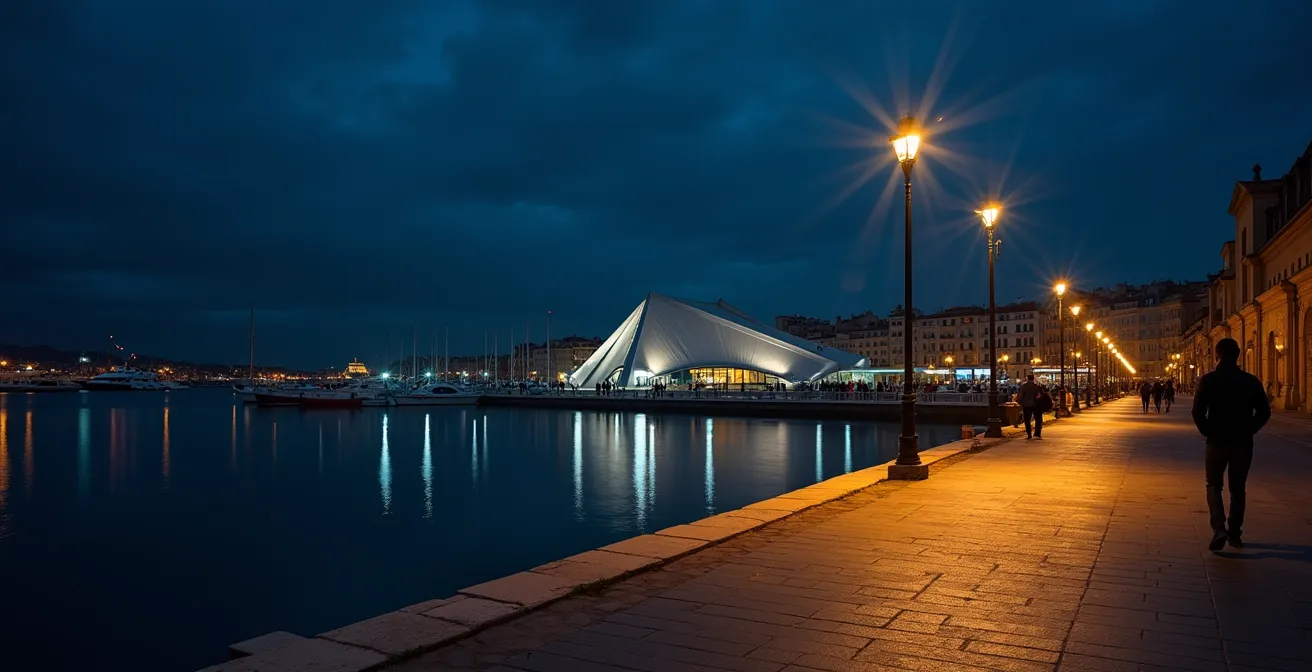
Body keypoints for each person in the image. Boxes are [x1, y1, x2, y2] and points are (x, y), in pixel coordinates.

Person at [1191, 338, 1271, 552]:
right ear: (1238, 355)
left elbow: (1197, 412)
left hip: (1216, 441)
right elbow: (1264, 412)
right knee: (1238, 488)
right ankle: (1235, 533)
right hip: (1242, 442)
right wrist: (1250, 428)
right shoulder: (1250, 381)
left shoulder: (1208, 380)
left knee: (1213, 485)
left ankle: (1219, 528)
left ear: (1216, 355)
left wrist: (1208, 431)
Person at [1016, 374, 1044, 440]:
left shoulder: (1023, 386)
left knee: (1027, 420)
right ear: (1033, 379)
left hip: (1026, 405)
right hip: (1036, 405)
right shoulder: (1037, 386)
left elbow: (1020, 395)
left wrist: (1019, 402)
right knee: (1038, 419)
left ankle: (1029, 434)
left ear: (1027, 378)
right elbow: (1040, 395)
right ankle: (1037, 434)